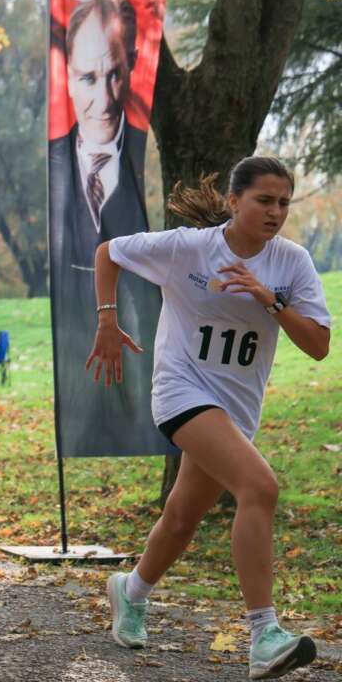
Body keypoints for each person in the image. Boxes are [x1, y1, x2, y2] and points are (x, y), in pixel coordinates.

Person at [87, 156, 330, 680]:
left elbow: (318, 345)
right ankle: (264, 634)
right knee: (260, 488)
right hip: (181, 392)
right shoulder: (188, 247)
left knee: (182, 518)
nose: (275, 211)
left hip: (237, 408)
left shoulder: (291, 262)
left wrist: (271, 301)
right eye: (264, 200)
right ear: (234, 201)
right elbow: (108, 253)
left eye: (284, 202)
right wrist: (106, 321)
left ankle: (130, 591)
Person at [49, 0, 164, 457]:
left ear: (134, 65)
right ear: (68, 79)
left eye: (116, 74)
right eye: (88, 77)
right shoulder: (51, 166)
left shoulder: (154, 162)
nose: (104, 97)